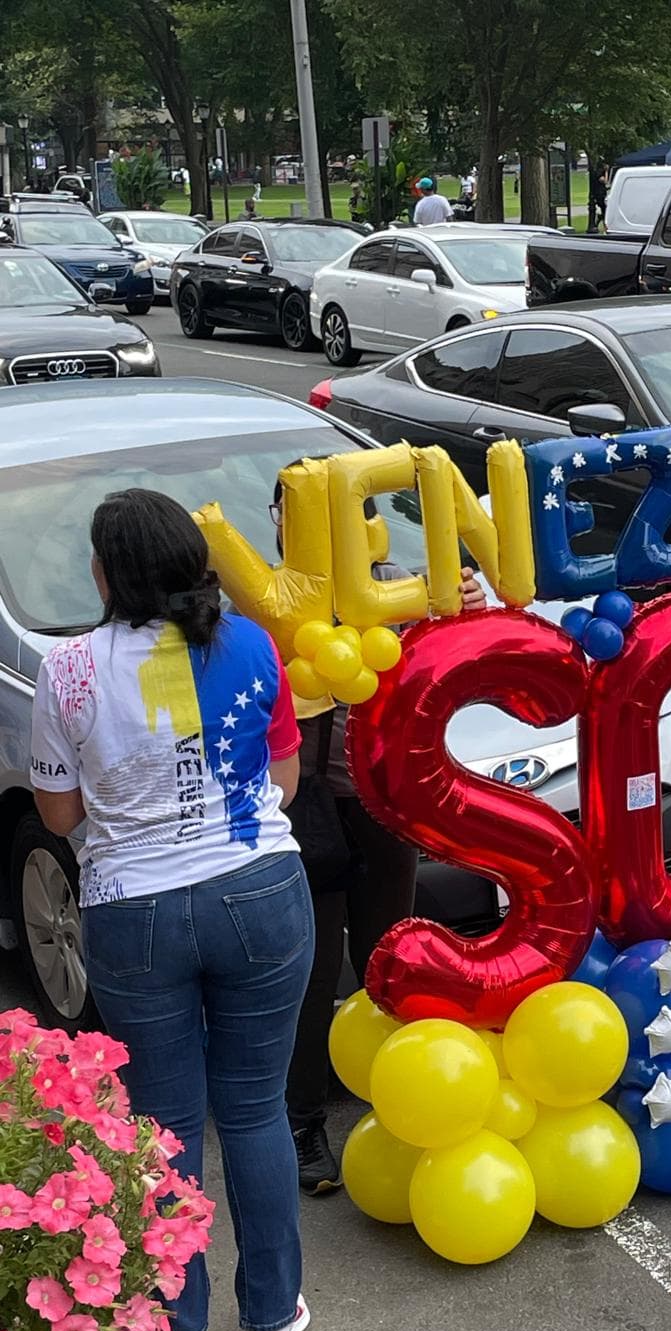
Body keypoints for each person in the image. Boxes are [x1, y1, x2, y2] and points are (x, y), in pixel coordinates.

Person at [30, 489, 315, 1331]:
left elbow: (57, 809)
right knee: (256, 1108)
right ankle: (270, 1318)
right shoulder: (252, 645)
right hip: (262, 890)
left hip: (132, 912)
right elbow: (289, 780)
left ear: (108, 574)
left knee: (163, 1122)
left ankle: (175, 1325)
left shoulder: (67, 670)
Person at [274, 475, 488, 1192]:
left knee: (389, 956)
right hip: (302, 809)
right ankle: (302, 1124)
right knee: (308, 971)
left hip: (382, 802)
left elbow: (457, 667)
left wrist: (465, 607)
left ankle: (398, 1103)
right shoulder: (272, 599)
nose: (301, 530)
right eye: (292, 517)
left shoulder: (399, 587)